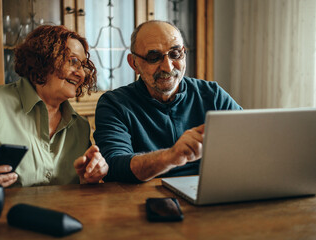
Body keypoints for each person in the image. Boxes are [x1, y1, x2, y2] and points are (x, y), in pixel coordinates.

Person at [0, 25, 108, 193]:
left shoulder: (80, 126)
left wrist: (90, 176)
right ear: (44, 58)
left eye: (83, 66)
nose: (81, 74)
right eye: (73, 62)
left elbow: (79, 188)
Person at [94, 20, 242, 183]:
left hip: (206, 191)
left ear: (184, 54)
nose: (168, 67)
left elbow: (248, 138)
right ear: (134, 63)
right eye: (154, 57)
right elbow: (114, 166)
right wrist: (171, 157)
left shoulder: (212, 95)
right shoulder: (114, 104)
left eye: (175, 54)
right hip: (144, 199)